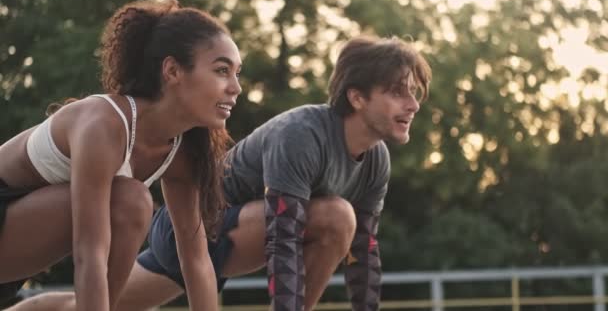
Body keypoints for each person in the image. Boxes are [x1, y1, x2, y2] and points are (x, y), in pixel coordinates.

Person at [11, 35, 430, 311]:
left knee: (98, 303)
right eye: (398, 92)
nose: (412, 104)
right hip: (198, 229)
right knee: (337, 215)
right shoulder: (302, 134)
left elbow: (363, 252)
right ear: (357, 97)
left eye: (415, 93)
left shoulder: (376, 161)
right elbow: (284, 239)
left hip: (230, 240)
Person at [0, 0, 242, 311]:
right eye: (222, 70)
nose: (235, 87)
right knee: (131, 199)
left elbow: (196, 260)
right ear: (172, 71)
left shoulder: (182, 152)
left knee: (132, 202)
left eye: (237, 73)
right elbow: (90, 254)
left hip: (19, 243)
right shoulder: (104, 124)